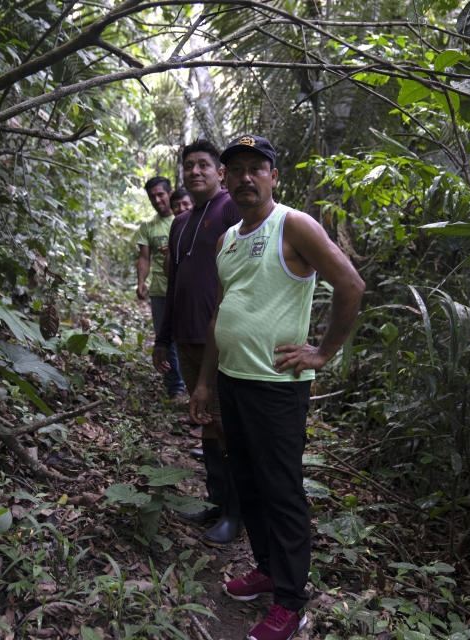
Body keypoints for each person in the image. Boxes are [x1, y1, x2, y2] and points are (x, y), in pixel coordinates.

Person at [189, 135, 364, 640]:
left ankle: (291, 601)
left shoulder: (293, 224)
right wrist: (203, 382)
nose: (245, 177)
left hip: (276, 387)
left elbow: (350, 284)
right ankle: (266, 569)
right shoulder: (228, 238)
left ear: (273, 176)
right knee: (247, 481)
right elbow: (224, 310)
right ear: (225, 179)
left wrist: (323, 353)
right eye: (236, 169)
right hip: (232, 381)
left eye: (256, 168)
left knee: (282, 491)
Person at [154, 140, 242, 546]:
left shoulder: (229, 208)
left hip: (221, 339)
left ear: (219, 171)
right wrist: (162, 338)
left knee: (227, 425)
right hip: (187, 339)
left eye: (204, 165)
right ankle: (216, 500)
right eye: (188, 166)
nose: (195, 172)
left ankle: (235, 514)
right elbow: (173, 285)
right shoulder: (181, 221)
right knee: (205, 421)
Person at [135, 176, 185, 401]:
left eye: (160, 194)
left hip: (186, 290)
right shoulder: (148, 226)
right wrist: (141, 282)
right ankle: (175, 388)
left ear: (170, 193)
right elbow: (144, 257)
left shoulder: (186, 217)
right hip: (160, 291)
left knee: (189, 338)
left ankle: (193, 386)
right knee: (166, 340)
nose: (157, 200)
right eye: (152, 196)